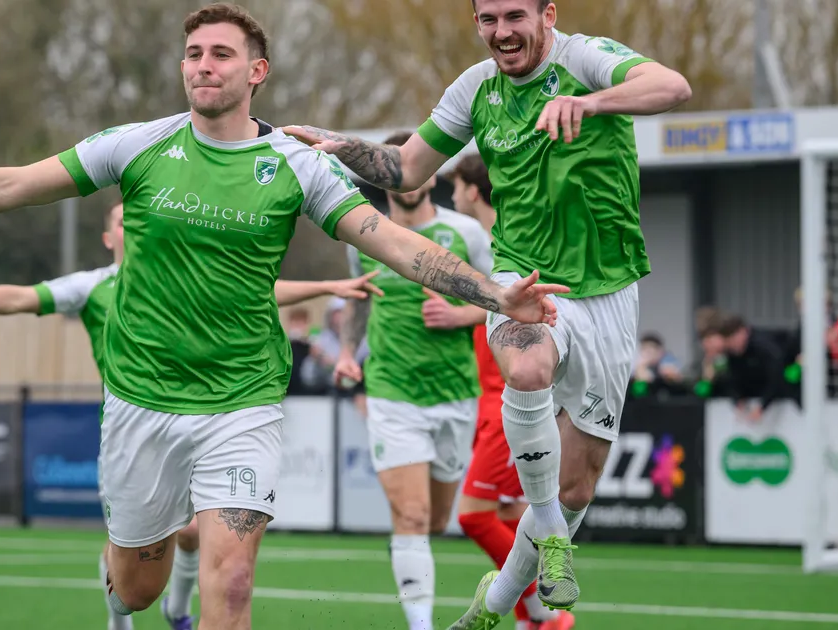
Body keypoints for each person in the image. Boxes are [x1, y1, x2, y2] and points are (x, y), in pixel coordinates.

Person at [0, 4, 565, 628]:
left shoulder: (297, 166)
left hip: (243, 402)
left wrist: (494, 295)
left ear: (256, 72)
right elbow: (12, 184)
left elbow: (391, 241)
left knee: (230, 585)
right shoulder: (138, 145)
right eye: (194, 54)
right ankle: (122, 587)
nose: (204, 65)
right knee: (137, 588)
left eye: (222, 55)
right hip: (141, 402)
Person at [283, 0, 692, 625]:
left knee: (579, 486)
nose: (501, 31)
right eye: (488, 19)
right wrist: (340, 147)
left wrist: (591, 103)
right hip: (523, 276)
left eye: (514, 16)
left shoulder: (584, 58)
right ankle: (551, 537)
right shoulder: (474, 88)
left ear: (547, 14)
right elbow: (406, 167)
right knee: (526, 370)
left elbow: (672, 86)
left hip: (609, 290)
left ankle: (494, 603)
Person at [0, 200, 382, 630]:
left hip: (206, 420)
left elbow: (260, 288)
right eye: (121, 221)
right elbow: (19, 297)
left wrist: (327, 287)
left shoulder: (183, 272)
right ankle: (120, 622)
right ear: (108, 237)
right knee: (127, 565)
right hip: (134, 434)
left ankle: (179, 610)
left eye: (136, 216)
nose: (130, 225)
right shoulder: (92, 287)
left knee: (192, 533)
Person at [333, 130, 492, 630]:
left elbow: (501, 302)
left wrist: (459, 315)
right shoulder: (365, 234)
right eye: (393, 170)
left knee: (435, 521)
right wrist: (347, 353)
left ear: (429, 175)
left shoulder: (466, 233)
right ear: (382, 178)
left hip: (454, 391)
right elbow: (360, 302)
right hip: (391, 392)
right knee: (413, 518)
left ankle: (406, 548)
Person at [448, 154, 573, 630]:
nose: (451, 195)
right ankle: (534, 618)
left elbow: (520, 306)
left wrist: (458, 314)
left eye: (455, 186)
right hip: (492, 392)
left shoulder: (498, 243)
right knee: (513, 511)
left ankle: (542, 613)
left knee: (474, 516)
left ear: (472, 190)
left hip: (513, 398)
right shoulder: (492, 238)